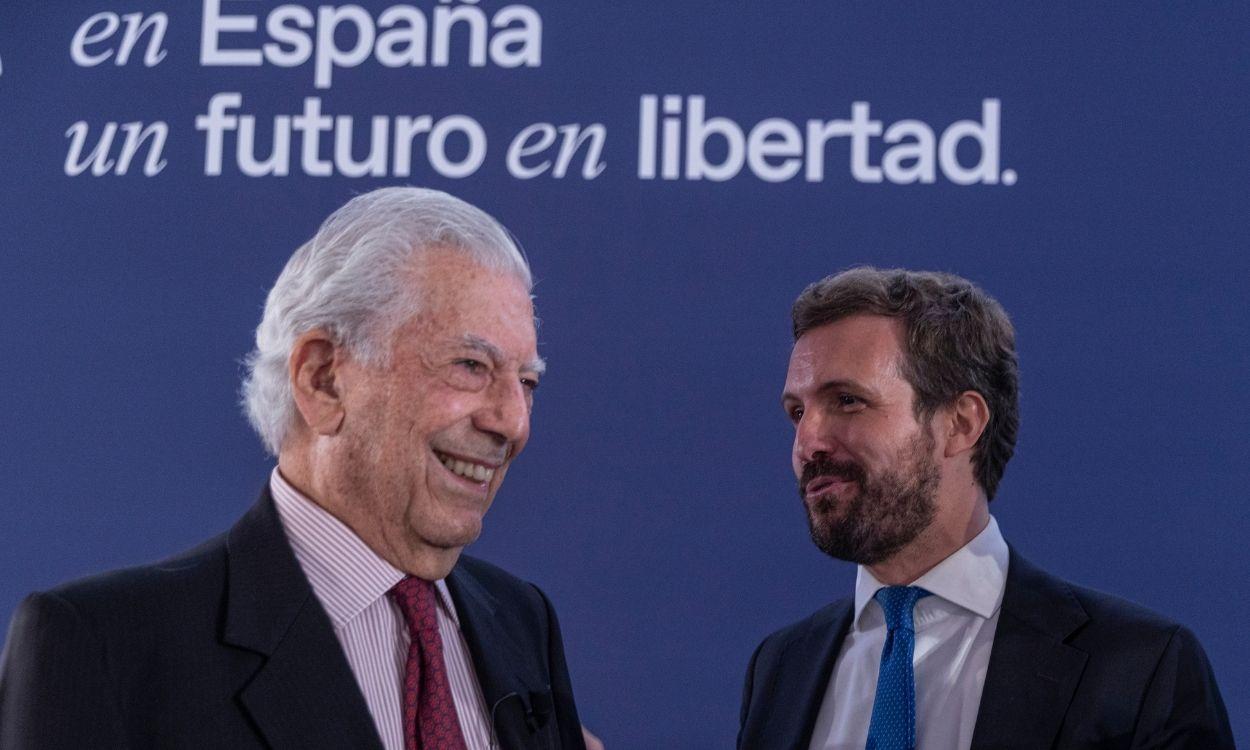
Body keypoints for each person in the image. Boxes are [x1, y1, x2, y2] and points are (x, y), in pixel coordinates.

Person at [0, 187, 597, 750]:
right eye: (471, 366)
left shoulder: (521, 620)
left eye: (527, 382)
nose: (513, 423)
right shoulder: (105, 647)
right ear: (322, 379)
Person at [737, 268, 1233, 750]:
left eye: (847, 400)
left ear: (960, 422)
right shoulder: (781, 669)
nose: (807, 443)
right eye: (797, 413)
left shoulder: (1139, 667)